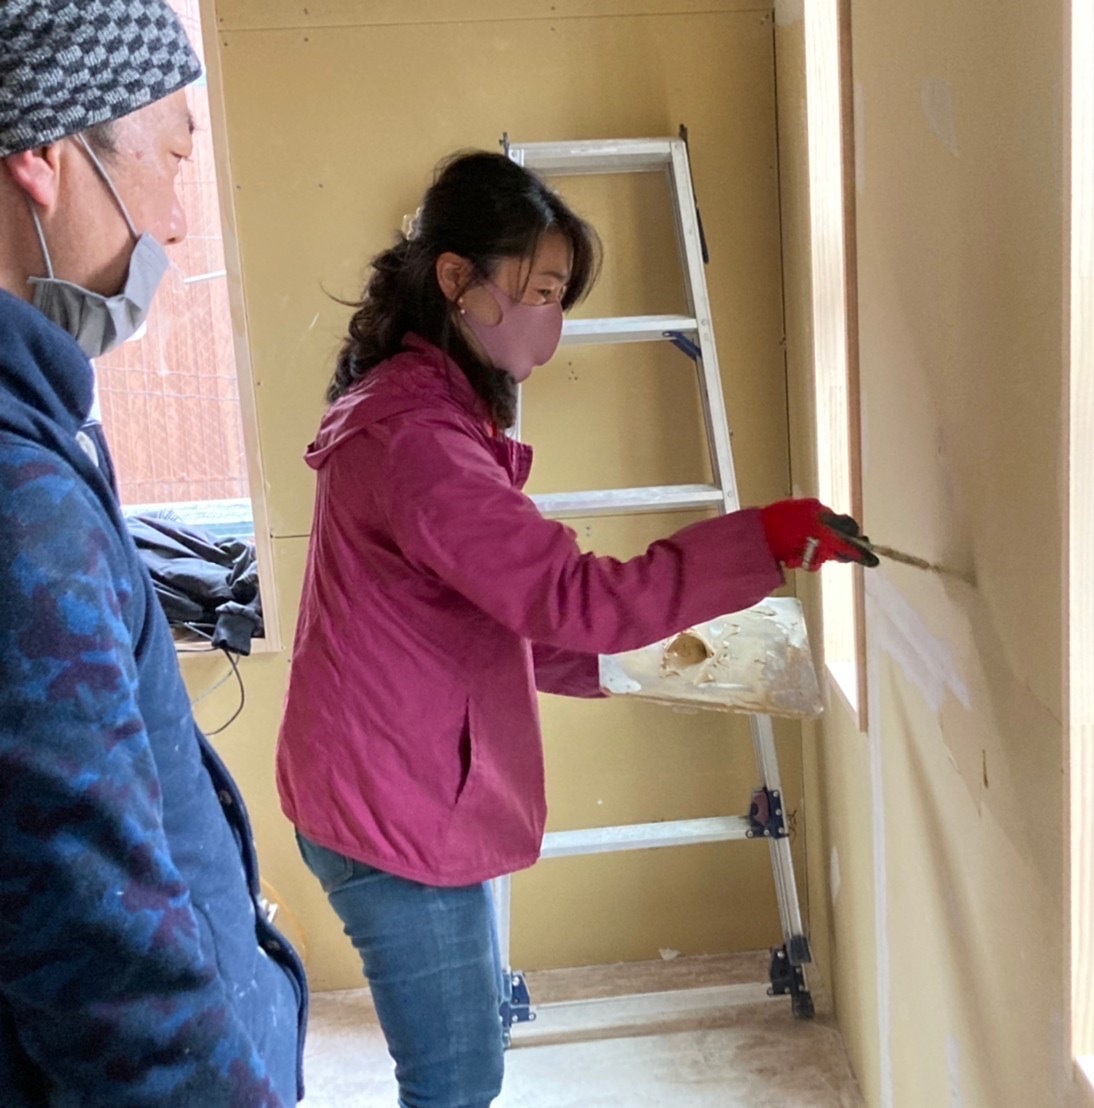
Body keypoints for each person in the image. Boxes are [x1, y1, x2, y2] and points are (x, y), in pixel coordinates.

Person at [276, 150, 867, 1107]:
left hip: (380, 775)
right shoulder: (421, 442)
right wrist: (757, 539)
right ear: (457, 279)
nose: (551, 318)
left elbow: (494, 610)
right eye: (541, 289)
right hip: (390, 805)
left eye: (560, 295)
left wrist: (645, 660)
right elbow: (569, 597)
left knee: (461, 1068)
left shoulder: (422, 411)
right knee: (456, 1079)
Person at [0, 2, 307, 1104]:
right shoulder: (17, 504)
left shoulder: (37, 426)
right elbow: (107, 974)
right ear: (43, 157)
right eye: (172, 153)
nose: (175, 220)